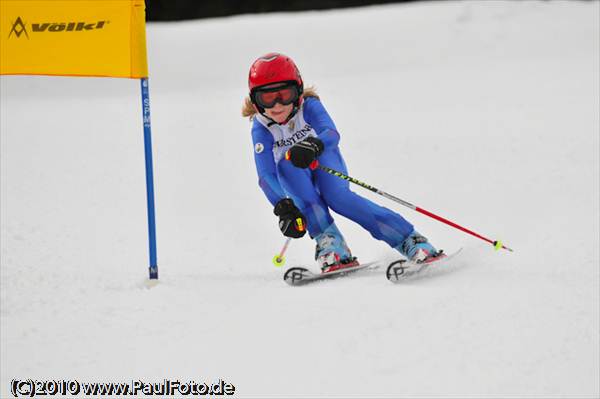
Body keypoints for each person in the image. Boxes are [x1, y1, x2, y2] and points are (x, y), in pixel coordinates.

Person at [242, 52, 440, 273]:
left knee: (340, 199)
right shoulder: (261, 127)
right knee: (294, 180)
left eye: (284, 95)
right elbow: (266, 175)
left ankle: (410, 240)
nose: (277, 105)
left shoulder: (309, 107)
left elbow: (331, 133)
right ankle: (332, 246)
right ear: (255, 100)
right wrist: (284, 206)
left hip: (323, 158)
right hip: (294, 174)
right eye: (267, 98)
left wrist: (314, 144)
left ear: (297, 90)